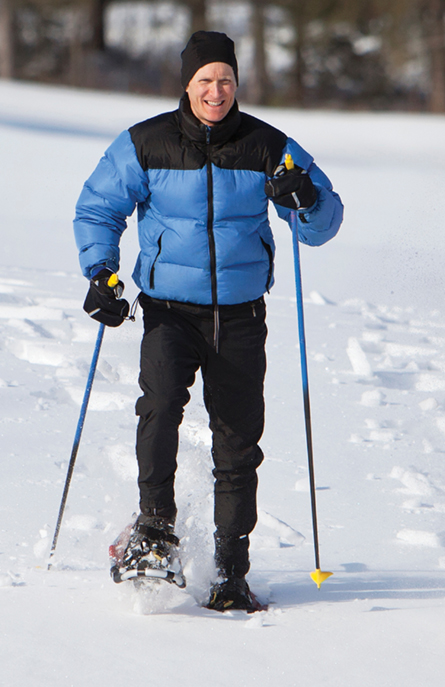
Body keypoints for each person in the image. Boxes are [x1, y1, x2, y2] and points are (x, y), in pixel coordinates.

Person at [73, 31, 343, 611]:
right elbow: (99, 207)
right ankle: (154, 530)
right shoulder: (145, 143)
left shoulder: (270, 146)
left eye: (225, 80)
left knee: (239, 439)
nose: (215, 91)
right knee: (161, 404)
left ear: (237, 83)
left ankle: (231, 570)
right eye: (204, 81)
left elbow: (321, 225)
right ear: (187, 84)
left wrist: (306, 198)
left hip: (241, 314)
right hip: (169, 310)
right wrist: (101, 272)